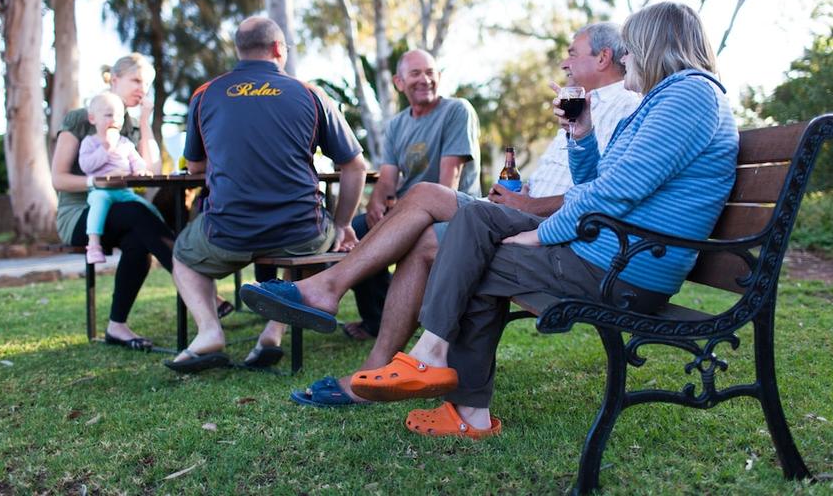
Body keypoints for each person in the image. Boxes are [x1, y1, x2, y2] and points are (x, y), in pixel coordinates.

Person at [341, 1, 739, 438]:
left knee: (473, 256)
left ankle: (459, 397)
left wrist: (543, 234)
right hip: (610, 248)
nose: (625, 59)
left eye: (630, 49)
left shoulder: (689, 95)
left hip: (623, 268)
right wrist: (582, 134)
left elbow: (618, 192)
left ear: (651, 47)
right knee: (476, 219)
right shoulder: (667, 100)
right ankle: (436, 357)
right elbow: (602, 181)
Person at [241, 22, 640, 405]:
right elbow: (571, 176)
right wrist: (519, 193)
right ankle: (377, 366)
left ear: (603, 57)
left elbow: (598, 193)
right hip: (523, 212)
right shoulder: (586, 104)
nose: (565, 63)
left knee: (429, 194)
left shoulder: (622, 105)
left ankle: (328, 291)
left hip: (554, 230)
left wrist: (526, 204)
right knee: (425, 239)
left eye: (572, 53)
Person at [165, 16, 367, 373]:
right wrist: (343, 224)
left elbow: (195, 169)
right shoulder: (311, 94)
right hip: (300, 234)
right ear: (278, 49)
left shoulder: (206, 93)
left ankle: (210, 330)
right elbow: (355, 166)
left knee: (183, 254)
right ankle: (272, 332)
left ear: (239, 50)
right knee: (316, 242)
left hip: (229, 232)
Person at [342, 48, 481, 342]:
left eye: (430, 72)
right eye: (415, 73)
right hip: (407, 207)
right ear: (399, 82)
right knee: (358, 229)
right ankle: (376, 319)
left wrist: (403, 216)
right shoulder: (396, 125)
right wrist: (376, 203)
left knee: (421, 232)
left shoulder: (457, 110)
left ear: (439, 77)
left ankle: (412, 315)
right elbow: (388, 177)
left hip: (450, 208)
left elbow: (449, 182)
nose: (425, 79)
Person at [51, 53, 175, 351]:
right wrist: (97, 182)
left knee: (138, 238)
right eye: (135, 80)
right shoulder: (82, 118)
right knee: (136, 212)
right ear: (114, 80)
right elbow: (58, 178)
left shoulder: (131, 125)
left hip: (120, 209)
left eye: (147, 84)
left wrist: (145, 123)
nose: (141, 89)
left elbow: (152, 174)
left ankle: (116, 326)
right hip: (80, 215)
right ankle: (201, 288)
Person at [78, 91, 162, 264]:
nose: (114, 119)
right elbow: (86, 166)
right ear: (93, 119)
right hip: (101, 190)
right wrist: (105, 148)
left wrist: (140, 170)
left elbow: (136, 161)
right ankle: (93, 245)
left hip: (124, 191)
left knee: (147, 208)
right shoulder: (90, 142)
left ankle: (164, 234)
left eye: (119, 116)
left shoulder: (124, 142)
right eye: (108, 115)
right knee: (98, 206)